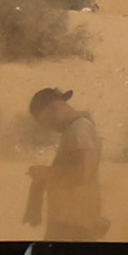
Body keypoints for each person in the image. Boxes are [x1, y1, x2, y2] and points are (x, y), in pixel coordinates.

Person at [26, 85, 109, 240]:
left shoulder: (79, 129)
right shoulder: (75, 129)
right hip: (71, 222)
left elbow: (83, 173)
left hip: (75, 225)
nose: (47, 127)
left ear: (53, 106)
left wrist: (45, 173)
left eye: (44, 121)